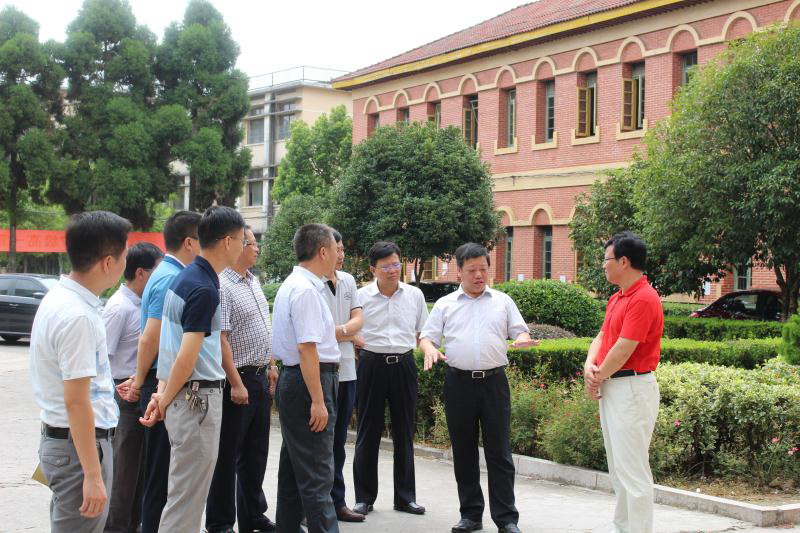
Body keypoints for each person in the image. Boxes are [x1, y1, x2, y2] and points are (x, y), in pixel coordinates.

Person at [140, 205, 246, 532]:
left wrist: (162, 395)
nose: (245, 246)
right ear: (227, 241)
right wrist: (164, 398)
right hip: (195, 400)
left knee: (183, 494)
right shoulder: (202, 286)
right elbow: (186, 356)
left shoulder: (188, 277)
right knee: (186, 499)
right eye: (243, 239)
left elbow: (168, 346)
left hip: (184, 398)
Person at [419, 243, 534, 533]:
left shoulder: (502, 301)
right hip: (459, 384)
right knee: (464, 451)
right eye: (472, 270)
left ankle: (506, 518)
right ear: (459, 271)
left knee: (499, 452)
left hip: (494, 383)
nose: (479, 275)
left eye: (484, 268)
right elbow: (427, 338)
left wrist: (521, 338)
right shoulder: (446, 304)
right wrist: (430, 349)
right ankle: (470, 514)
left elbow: (520, 330)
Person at [31, 211, 132, 532]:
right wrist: (91, 474)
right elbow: (76, 400)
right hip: (79, 451)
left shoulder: (63, 299)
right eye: (124, 256)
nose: (124, 264)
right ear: (107, 262)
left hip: (70, 445)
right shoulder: (78, 316)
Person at [119, 210, 201, 533]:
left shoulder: (167, 271)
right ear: (190, 243)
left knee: (161, 472)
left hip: (159, 379)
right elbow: (150, 336)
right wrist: (140, 382)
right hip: (160, 381)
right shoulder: (170, 277)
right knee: (160, 475)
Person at [583, 231, 663, 533]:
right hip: (614, 386)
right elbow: (603, 338)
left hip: (632, 389)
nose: (604, 266)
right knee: (619, 471)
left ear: (624, 261)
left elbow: (625, 347)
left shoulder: (643, 298)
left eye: (607, 260)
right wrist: (590, 367)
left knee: (633, 473)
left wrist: (598, 375)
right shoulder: (618, 297)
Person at [206, 226, 278, 533]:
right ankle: (220, 522)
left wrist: (271, 364)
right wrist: (235, 382)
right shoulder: (222, 285)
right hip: (238, 380)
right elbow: (221, 339)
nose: (256, 248)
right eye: (251, 243)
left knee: (256, 453)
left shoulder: (253, 281)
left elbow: (265, 326)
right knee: (228, 456)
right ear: (234, 245)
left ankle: (253, 515)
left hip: (261, 376)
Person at [272, 223, 341, 533]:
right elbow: (307, 348)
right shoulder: (305, 290)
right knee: (317, 474)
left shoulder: (297, 284)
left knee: (293, 470)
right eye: (336, 250)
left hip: (297, 379)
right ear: (322, 251)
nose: (340, 256)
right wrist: (318, 400)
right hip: (308, 381)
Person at [352, 241, 428, 517]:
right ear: (373, 269)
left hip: (404, 364)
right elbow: (346, 329)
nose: (393, 270)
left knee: (404, 432)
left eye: (396, 264)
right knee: (367, 432)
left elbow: (423, 333)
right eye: (386, 266)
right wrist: (359, 340)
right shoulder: (360, 297)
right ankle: (364, 498)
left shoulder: (414, 295)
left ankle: (405, 497)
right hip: (371, 364)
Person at [103, 242, 163, 533]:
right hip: (123, 395)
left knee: (140, 470)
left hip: (141, 392)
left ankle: (133, 524)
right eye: (157, 269)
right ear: (141, 273)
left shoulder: (142, 305)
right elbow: (100, 359)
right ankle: (116, 527)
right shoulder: (119, 307)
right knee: (124, 472)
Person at [323, 230, 365, 523]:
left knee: (339, 442)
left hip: (347, 371)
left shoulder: (348, 280)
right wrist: (346, 333)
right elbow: (319, 331)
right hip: (323, 370)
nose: (341, 254)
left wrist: (340, 332)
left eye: (342, 249)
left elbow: (359, 318)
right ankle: (316, 503)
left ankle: (337, 501)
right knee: (319, 444)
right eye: (336, 249)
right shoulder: (311, 283)